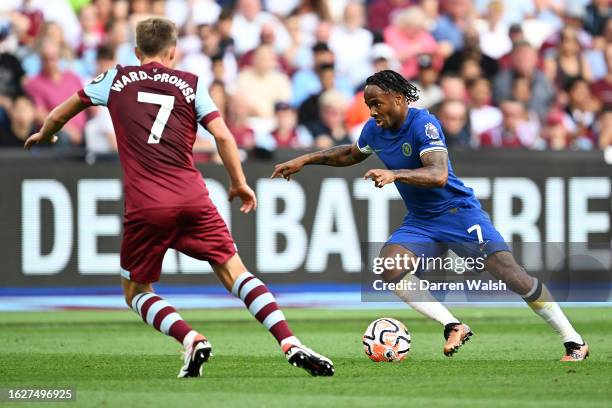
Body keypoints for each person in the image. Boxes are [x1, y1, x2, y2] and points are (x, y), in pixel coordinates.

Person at [24, 17, 334, 378]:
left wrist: (46, 133)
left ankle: (189, 338)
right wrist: (238, 182)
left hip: (146, 204)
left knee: (136, 291)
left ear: (137, 51)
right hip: (192, 196)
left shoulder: (115, 78)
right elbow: (223, 136)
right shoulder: (192, 84)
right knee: (235, 271)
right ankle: (289, 341)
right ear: (174, 51)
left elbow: (62, 111)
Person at [272, 69, 589, 362]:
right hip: (422, 220)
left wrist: (395, 174)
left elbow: (438, 174)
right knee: (390, 266)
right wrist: (305, 159)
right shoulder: (374, 129)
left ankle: (574, 341)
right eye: (368, 104)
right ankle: (453, 324)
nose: (371, 111)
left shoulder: (424, 124)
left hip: (458, 213)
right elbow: (349, 154)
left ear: (397, 98)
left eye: (376, 103)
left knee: (510, 274)